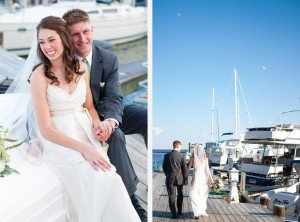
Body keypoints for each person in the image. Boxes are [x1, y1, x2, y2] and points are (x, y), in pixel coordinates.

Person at [29, 16, 140, 222]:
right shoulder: (39, 76)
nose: (46, 46)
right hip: (59, 136)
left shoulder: (80, 68)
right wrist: (85, 149)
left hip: (84, 127)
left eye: (51, 39)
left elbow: (88, 106)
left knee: (110, 176)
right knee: (93, 175)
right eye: (41, 41)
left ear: (63, 39)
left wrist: (99, 125)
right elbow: (45, 129)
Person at [62, 9, 147, 221]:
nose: (83, 39)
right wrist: (101, 124)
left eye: (85, 32)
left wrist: (110, 120)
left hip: (109, 109)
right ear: (66, 36)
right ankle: (130, 196)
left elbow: (114, 96)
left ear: (92, 29)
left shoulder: (108, 59)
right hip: (81, 113)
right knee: (114, 136)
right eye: (75, 34)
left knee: (145, 116)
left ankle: (154, 171)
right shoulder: (60, 59)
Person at [187, 144, 215, 219]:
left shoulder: (193, 158)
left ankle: (196, 212)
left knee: (195, 193)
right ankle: (201, 211)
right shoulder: (205, 158)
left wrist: (185, 178)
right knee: (202, 194)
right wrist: (212, 181)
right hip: (202, 176)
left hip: (196, 176)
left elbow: (188, 169)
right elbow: (207, 170)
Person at [163, 140, 188, 219]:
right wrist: (186, 179)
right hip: (180, 179)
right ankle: (179, 210)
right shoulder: (182, 156)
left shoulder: (167, 155)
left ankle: (174, 213)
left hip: (170, 178)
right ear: (177, 146)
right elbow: (184, 169)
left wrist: (168, 174)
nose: (181, 148)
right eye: (180, 146)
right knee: (180, 195)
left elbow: (164, 167)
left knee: (171, 195)